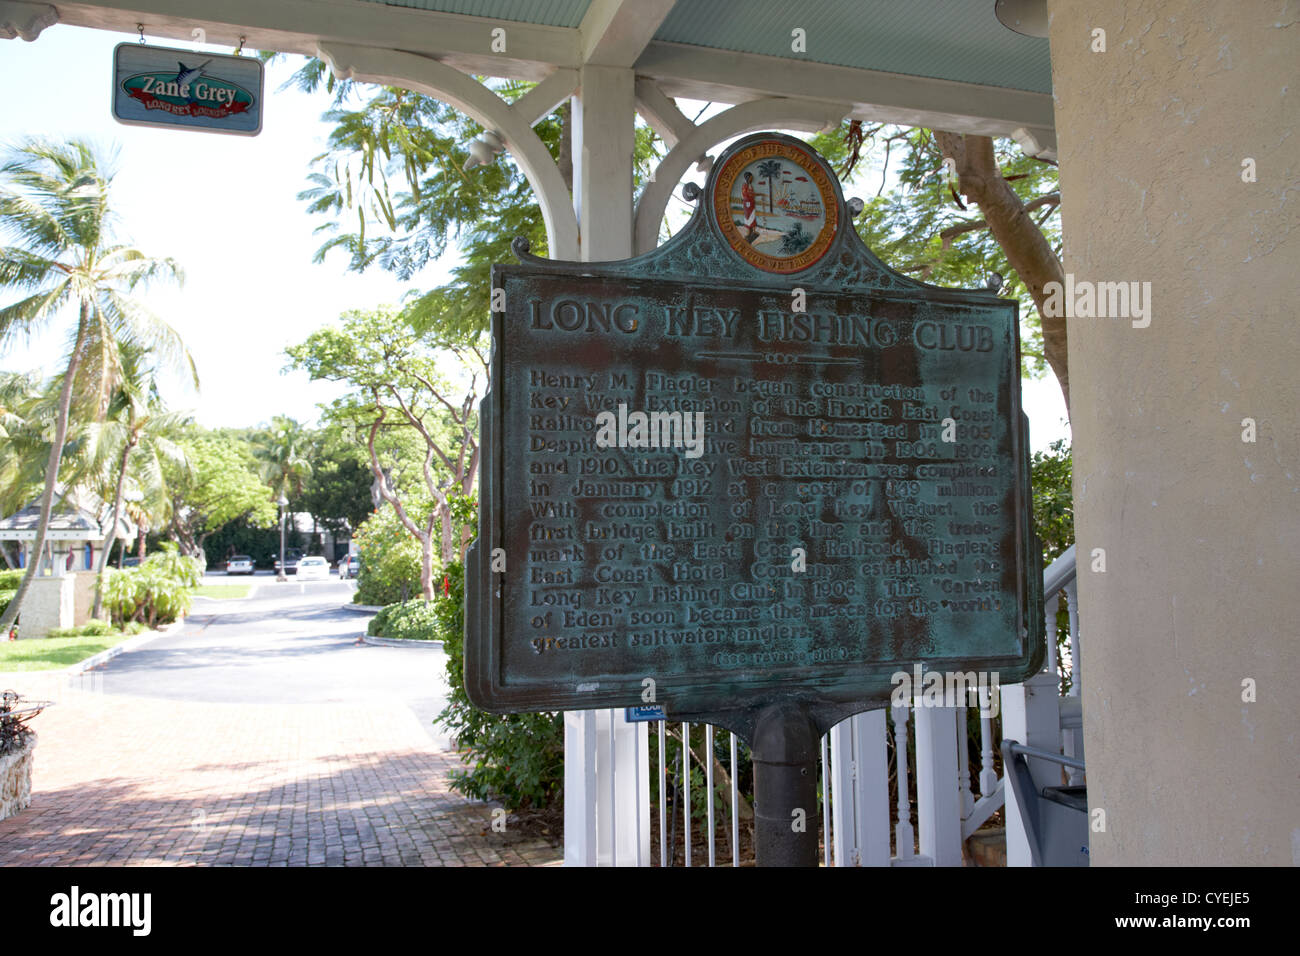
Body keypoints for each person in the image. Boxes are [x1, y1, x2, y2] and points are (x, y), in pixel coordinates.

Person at [741, 171, 758, 243]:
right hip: (747, 204)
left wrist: (752, 195)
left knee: (753, 217)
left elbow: (752, 193)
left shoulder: (750, 185)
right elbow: (745, 194)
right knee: (748, 218)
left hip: (752, 203)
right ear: (748, 178)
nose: (752, 179)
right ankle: (748, 234)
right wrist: (751, 195)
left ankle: (753, 232)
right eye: (751, 178)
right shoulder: (745, 185)